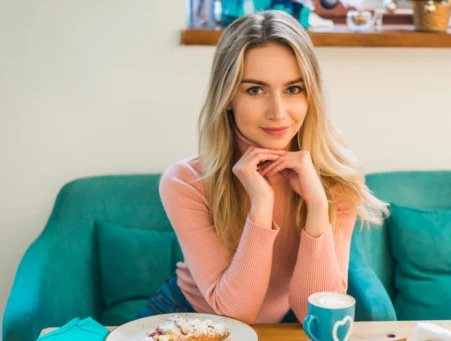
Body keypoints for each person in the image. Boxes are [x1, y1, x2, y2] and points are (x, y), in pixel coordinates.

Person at [137, 10, 388, 324]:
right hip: (187, 317)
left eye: (293, 89)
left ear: (311, 95)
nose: (278, 112)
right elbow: (233, 312)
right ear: (227, 96)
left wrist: (317, 204)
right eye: (255, 90)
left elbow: (314, 312)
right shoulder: (186, 182)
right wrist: (262, 204)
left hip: (277, 327)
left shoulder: (336, 181)